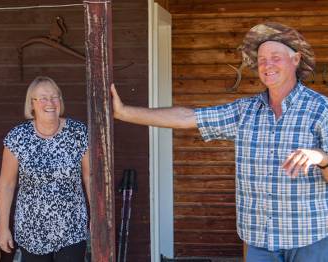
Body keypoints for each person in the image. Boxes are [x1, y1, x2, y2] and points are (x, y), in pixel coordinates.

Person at [111, 22, 328, 262]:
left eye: (275, 57)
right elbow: (188, 117)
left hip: (310, 238)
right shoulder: (246, 110)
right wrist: (124, 113)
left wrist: (321, 157)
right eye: (262, 59)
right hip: (260, 240)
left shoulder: (321, 109)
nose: (267, 65)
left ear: (295, 59)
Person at [0, 76, 90, 262]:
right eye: (43, 98)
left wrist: (96, 217)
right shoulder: (17, 138)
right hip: (31, 231)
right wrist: (3, 227)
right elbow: (6, 184)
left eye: (55, 97)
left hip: (71, 227)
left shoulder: (78, 133)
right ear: (31, 104)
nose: (50, 102)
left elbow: (90, 178)